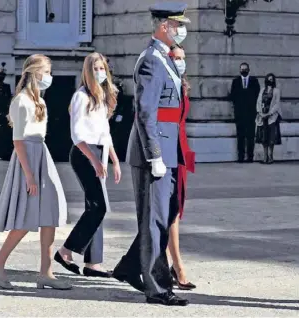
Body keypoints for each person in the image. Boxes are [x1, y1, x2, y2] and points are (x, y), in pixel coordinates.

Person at [112, 2, 190, 306]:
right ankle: (157, 288)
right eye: (177, 25)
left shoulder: (165, 59)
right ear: (163, 26)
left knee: (166, 215)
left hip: (169, 149)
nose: (181, 31)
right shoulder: (151, 61)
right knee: (154, 221)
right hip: (152, 151)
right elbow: (146, 112)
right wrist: (155, 154)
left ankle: (130, 267)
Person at [0, 54, 71, 290]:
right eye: (47, 71)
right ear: (36, 71)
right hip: (27, 158)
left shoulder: (40, 100)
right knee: (25, 216)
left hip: (41, 153)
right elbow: (18, 141)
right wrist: (29, 175)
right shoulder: (21, 101)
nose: (50, 76)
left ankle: (45, 273)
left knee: (50, 212)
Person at [54, 52, 121, 278]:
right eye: (96, 69)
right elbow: (77, 134)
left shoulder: (101, 95)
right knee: (98, 207)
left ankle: (93, 263)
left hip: (99, 151)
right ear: (87, 71)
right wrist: (93, 160)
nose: (100, 72)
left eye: (103, 68)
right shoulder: (81, 96)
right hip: (84, 152)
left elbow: (105, 132)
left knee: (95, 209)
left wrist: (114, 159)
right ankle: (65, 251)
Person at [165, 43, 196, 290]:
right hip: (166, 155)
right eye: (176, 57)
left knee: (173, 211)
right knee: (170, 212)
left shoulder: (182, 85)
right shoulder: (164, 84)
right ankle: (177, 265)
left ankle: (167, 263)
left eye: (183, 58)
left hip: (180, 153)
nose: (180, 62)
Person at [230, 62, 261, 162]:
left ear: (248, 70)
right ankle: (241, 156)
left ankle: (250, 156)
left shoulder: (254, 81)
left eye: (245, 69)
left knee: (251, 136)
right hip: (239, 114)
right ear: (240, 70)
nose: (243, 71)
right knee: (240, 136)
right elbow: (233, 96)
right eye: (242, 69)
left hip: (251, 113)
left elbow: (257, 95)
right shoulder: (235, 81)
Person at [255, 73, 282, 164]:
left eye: (272, 79)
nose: (270, 81)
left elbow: (277, 104)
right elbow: (258, 101)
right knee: (263, 137)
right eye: (269, 79)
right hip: (262, 117)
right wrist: (260, 112)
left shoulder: (276, 91)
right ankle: (265, 156)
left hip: (271, 118)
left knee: (271, 138)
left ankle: (271, 156)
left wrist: (269, 113)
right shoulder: (262, 90)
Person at [0, 63, 14, 160]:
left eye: (2, 76)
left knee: (5, 133)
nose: (0, 77)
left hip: (4, 113)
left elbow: (8, 100)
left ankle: (4, 153)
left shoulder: (7, 87)